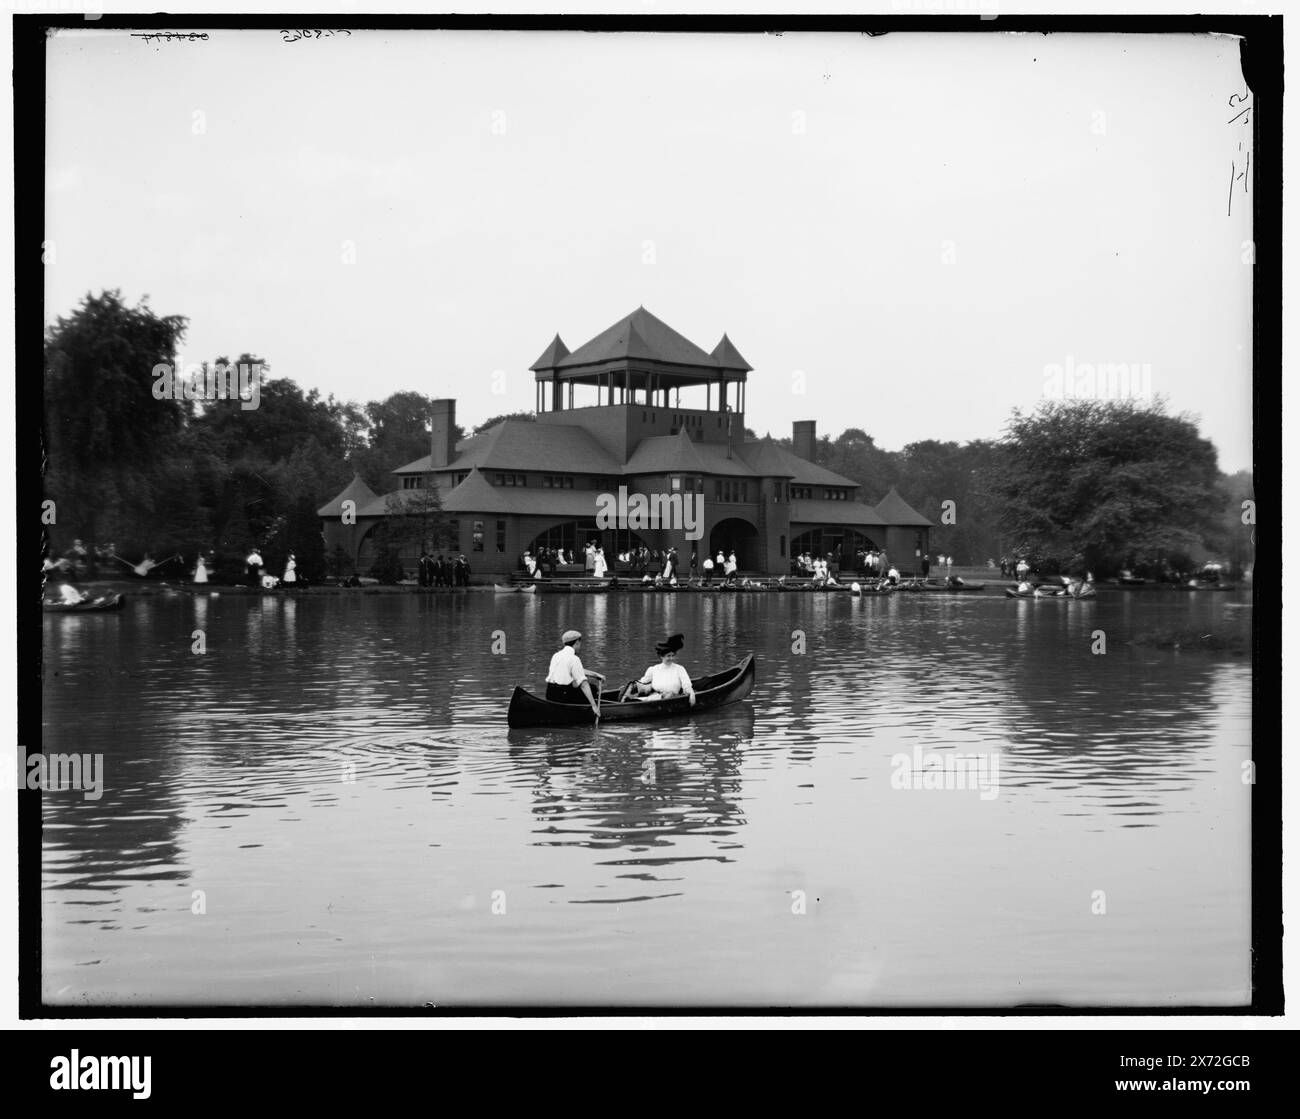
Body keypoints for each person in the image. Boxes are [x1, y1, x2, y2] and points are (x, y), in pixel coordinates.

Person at [622, 633, 696, 704]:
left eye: (672, 655)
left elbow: (686, 685)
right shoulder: (653, 669)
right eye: (668, 656)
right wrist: (625, 688)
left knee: (669, 695)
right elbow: (642, 682)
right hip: (653, 698)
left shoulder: (679, 669)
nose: (671, 658)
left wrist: (691, 694)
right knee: (630, 699)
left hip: (672, 699)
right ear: (661, 656)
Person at [545, 630, 604, 717]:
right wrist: (594, 706)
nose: (580, 647)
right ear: (577, 643)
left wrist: (595, 675)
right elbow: (583, 684)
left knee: (578, 685)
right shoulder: (574, 659)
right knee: (593, 689)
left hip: (550, 693)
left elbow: (576, 670)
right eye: (580, 644)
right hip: (562, 696)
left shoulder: (556, 655)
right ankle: (586, 711)